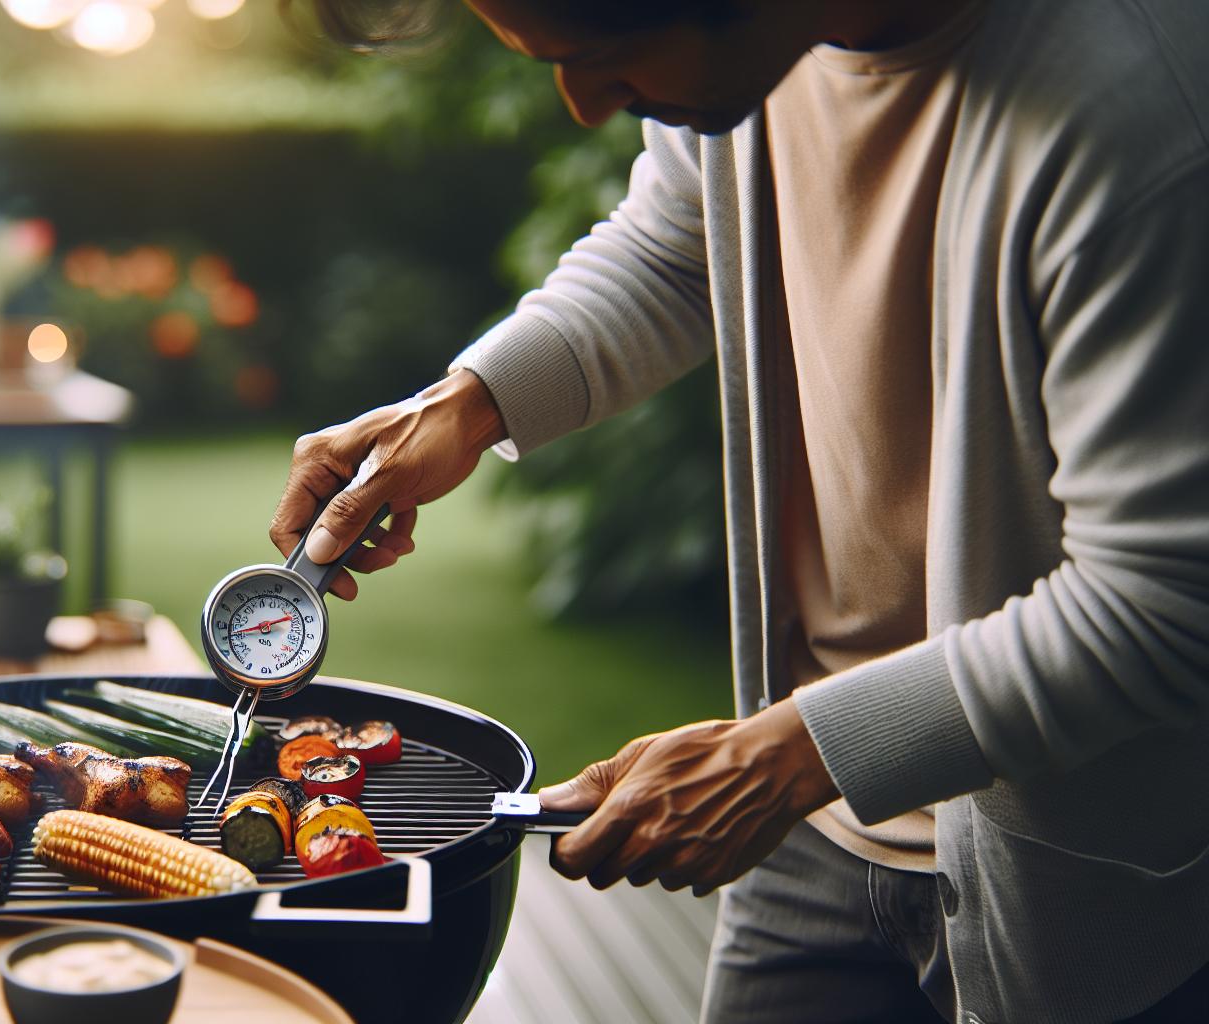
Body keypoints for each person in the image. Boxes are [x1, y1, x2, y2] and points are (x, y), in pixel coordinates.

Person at [269, 1, 1209, 1020]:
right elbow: (680, 243)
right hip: (813, 826)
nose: (581, 106)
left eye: (604, 53)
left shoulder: (1142, 122)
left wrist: (784, 755)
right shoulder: (766, 50)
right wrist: (466, 404)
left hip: (1072, 880)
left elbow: (1161, 602)